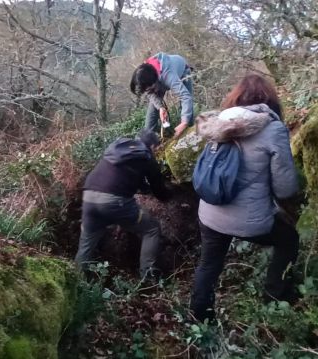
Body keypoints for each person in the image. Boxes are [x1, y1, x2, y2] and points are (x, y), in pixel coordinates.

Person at [190, 74, 300, 322]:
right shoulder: (273, 129)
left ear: (236, 98)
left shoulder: (218, 123)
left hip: (209, 211)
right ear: (269, 100)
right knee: (289, 240)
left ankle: (199, 318)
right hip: (248, 221)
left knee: (209, 264)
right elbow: (285, 188)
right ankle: (274, 299)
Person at [75, 129, 170, 280]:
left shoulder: (119, 148)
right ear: (152, 146)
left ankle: (77, 281)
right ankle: (148, 279)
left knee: (86, 244)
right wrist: (167, 197)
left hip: (89, 196)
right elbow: (158, 188)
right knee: (151, 229)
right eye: (156, 148)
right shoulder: (146, 157)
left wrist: (143, 188)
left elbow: (127, 175)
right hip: (114, 201)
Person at [130, 52, 194, 138]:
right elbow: (150, 93)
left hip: (183, 71)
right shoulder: (144, 72)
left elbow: (185, 97)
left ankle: (189, 135)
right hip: (157, 78)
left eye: (148, 89)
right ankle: (147, 141)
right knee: (153, 108)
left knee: (186, 107)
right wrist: (161, 108)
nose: (147, 91)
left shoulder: (169, 76)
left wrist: (184, 122)